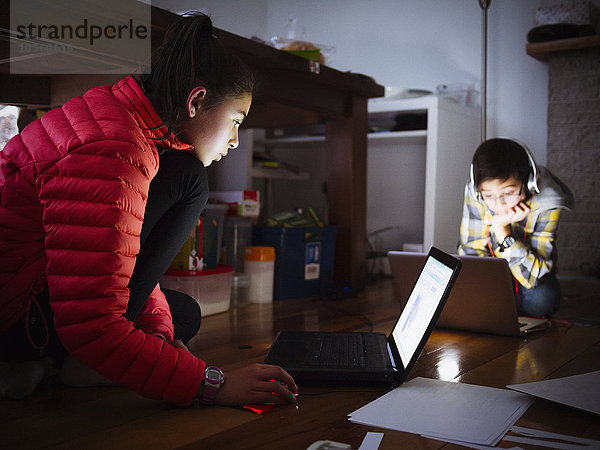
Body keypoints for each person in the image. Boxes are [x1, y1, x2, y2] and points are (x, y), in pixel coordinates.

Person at [0, 12, 298, 406]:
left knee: (181, 314)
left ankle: (52, 367)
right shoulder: (116, 149)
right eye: (235, 122)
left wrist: (156, 337)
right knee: (189, 178)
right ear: (196, 101)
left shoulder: (121, 117)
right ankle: (45, 362)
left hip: (36, 288)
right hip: (16, 312)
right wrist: (213, 385)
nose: (235, 141)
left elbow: (115, 259)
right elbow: (89, 323)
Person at [458, 138, 574, 318]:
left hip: (529, 273)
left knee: (541, 301)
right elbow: (471, 250)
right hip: (493, 273)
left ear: (529, 183)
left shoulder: (549, 202)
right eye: (489, 196)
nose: (499, 204)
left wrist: (502, 231)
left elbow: (535, 275)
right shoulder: (476, 192)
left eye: (509, 193)